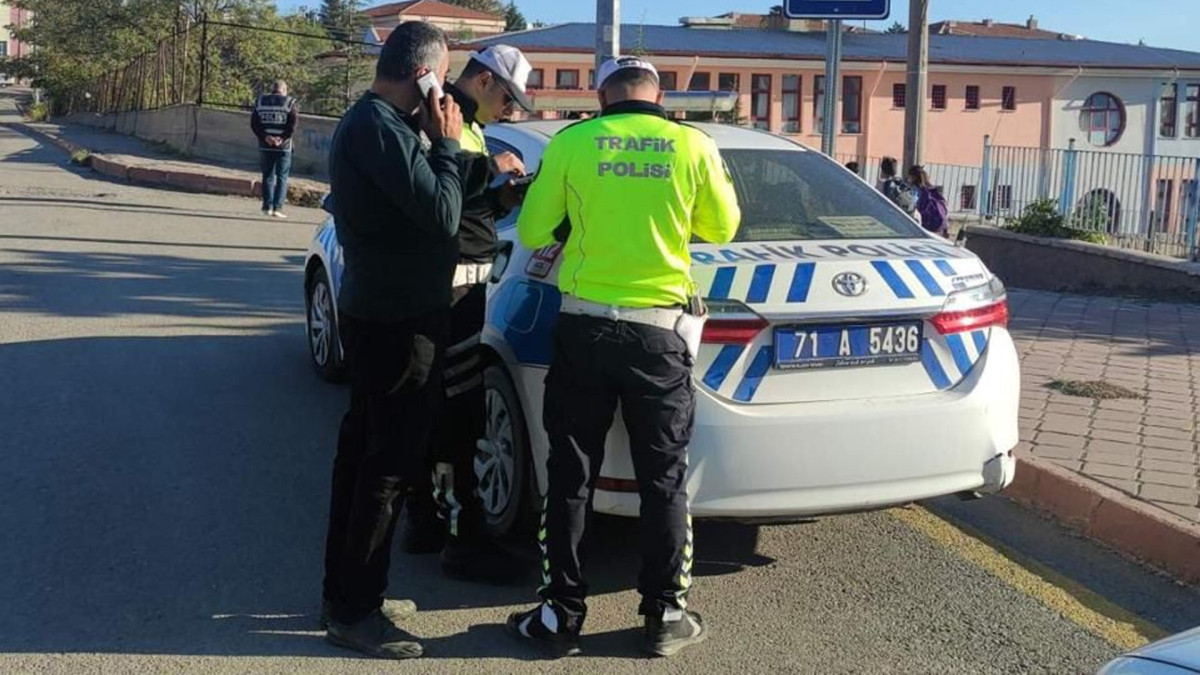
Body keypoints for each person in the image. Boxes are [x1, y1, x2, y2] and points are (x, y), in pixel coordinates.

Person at [507, 56, 741, 658]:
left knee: (571, 473)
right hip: (658, 334)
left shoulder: (574, 141)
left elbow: (534, 231)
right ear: (659, 94)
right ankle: (664, 614)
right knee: (663, 479)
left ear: (603, 93)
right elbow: (723, 228)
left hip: (583, 327)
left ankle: (560, 615)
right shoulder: (693, 144)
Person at [319, 21, 463, 661]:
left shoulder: (378, 125)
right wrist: (448, 146)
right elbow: (441, 216)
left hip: (377, 312)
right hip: (399, 322)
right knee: (387, 466)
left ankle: (349, 594)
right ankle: (355, 611)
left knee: (363, 457)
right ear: (424, 73)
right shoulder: (382, 128)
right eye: (444, 74)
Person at [402, 44, 535, 584]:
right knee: (458, 416)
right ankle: (463, 540)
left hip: (460, 282)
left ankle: (428, 521)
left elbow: (463, 201)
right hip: (451, 288)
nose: (511, 110)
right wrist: (491, 168)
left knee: (441, 410)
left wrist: (504, 197)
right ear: (483, 81)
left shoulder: (467, 124)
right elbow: (440, 183)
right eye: (508, 97)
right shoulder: (444, 117)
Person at [250, 80, 298, 218]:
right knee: (282, 177)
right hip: (283, 147)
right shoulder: (290, 102)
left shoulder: (260, 102)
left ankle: (267, 207)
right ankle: (278, 208)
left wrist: (266, 137)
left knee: (267, 176)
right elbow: (293, 125)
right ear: (283, 90)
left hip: (265, 146)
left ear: (272, 89)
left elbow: (254, 124)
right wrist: (281, 138)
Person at [907, 164, 950, 237]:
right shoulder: (932, 190)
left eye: (909, 177)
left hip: (924, 226)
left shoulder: (915, 190)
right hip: (939, 228)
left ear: (913, 177)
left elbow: (911, 205)